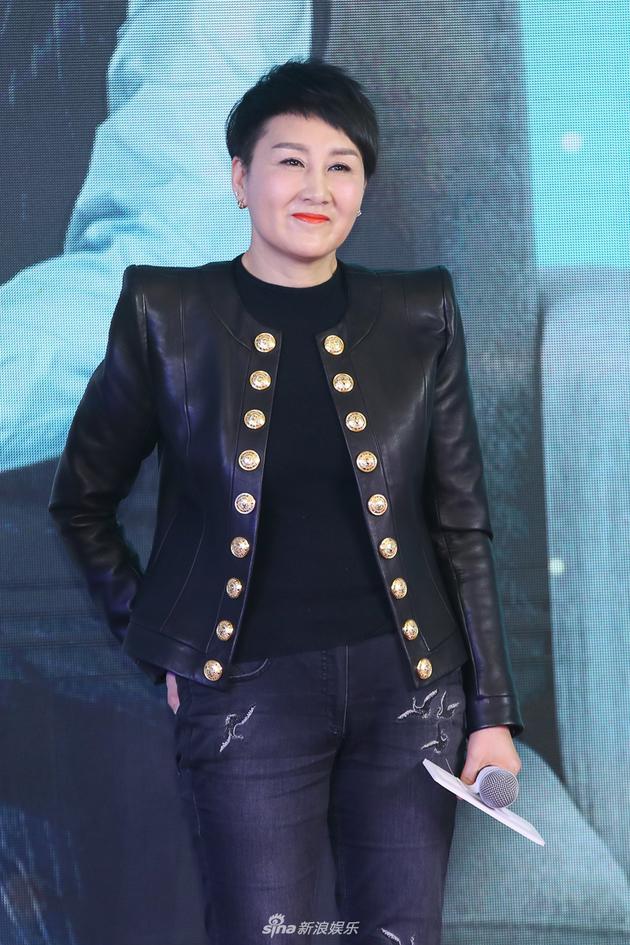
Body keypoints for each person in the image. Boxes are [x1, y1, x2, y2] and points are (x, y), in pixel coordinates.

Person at [48, 57, 523, 945]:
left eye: (341, 165)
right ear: (241, 178)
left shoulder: (420, 311)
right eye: (290, 161)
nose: (317, 187)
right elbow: (82, 500)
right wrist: (164, 648)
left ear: (364, 191)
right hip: (246, 693)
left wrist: (491, 711)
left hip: (412, 690)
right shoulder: (167, 312)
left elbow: (460, 521)